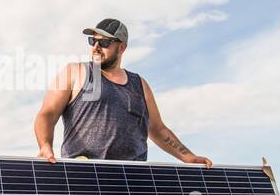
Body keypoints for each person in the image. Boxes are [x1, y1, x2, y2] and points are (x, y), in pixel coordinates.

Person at [33, 18, 213, 166]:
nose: (95, 47)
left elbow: (157, 129)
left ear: (121, 48)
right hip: (84, 176)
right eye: (92, 40)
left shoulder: (139, 84)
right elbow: (47, 113)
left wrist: (188, 156)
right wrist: (45, 145)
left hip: (133, 181)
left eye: (104, 42)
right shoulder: (75, 72)